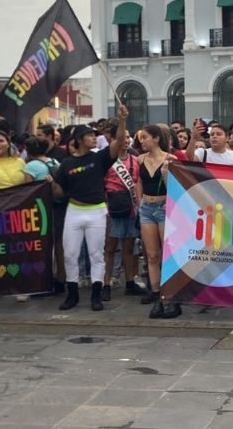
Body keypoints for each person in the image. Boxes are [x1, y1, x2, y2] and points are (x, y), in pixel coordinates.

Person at [51, 105, 129, 312]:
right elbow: (58, 192)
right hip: (74, 211)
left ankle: (96, 295)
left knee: (96, 255)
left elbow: (119, 141)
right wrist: (53, 183)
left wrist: (122, 120)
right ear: (78, 140)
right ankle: (73, 294)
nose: (94, 138)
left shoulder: (99, 157)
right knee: (70, 254)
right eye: (89, 135)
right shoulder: (66, 164)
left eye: (95, 135)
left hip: (96, 212)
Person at [136, 125, 179, 319]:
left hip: (164, 208)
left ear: (156, 138)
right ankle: (156, 294)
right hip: (147, 208)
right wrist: (139, 202)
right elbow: (139, 181)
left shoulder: (170, 160)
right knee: (152, 255)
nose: (142, 141)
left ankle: (169, 297)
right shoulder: (140, 159)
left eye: (145, 137)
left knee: (167, 254)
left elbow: (177, 188)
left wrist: (165, 174)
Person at [102, 126, 145, 303]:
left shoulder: (135, 160)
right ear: (113, 139)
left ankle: (129, 282)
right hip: (113, 207)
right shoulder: (107, 160)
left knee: (129, 247)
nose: (126, 140)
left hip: (130, 207)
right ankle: (106, 284)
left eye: (128, 137)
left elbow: (138, 183)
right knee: (110, 248)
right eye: (123, 137)